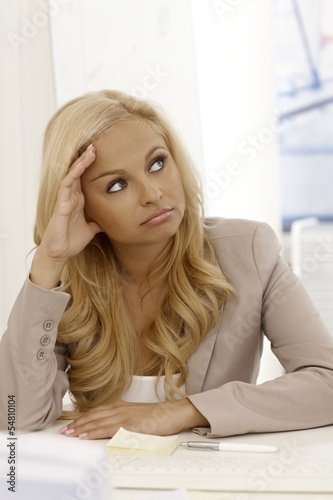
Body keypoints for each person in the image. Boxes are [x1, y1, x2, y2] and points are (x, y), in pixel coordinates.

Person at [0, 90, 333, 440]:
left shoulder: (248, 252)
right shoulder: (63, 284)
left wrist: (181, 412)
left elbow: (327, 383)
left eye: (157, 163)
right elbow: (16, 415)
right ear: (81, 203)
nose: (152, 193)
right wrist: (48, 262)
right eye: (117, 184)